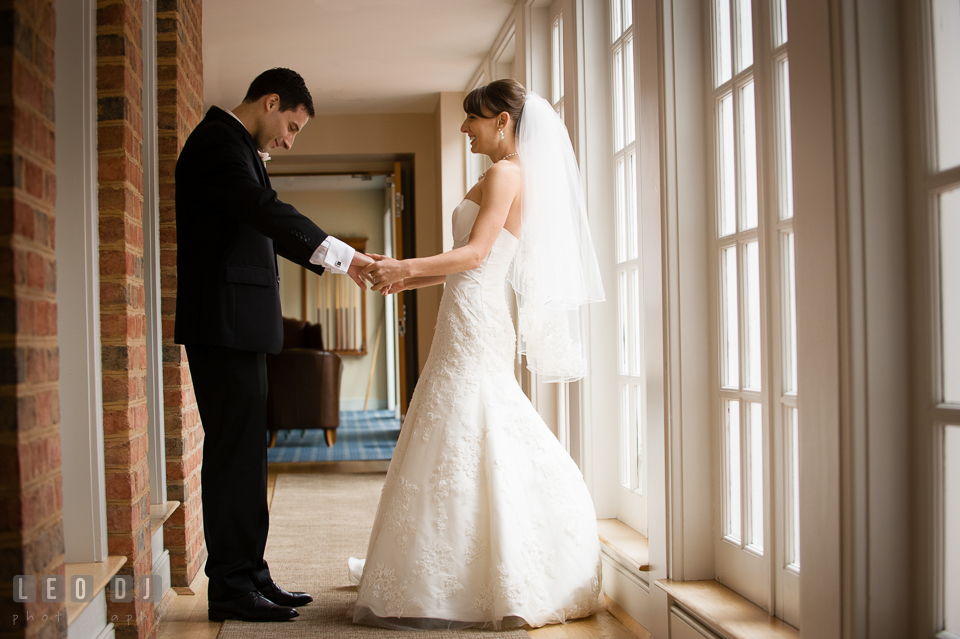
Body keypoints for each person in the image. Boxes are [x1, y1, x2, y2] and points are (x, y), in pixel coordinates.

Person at [350, 79, 605, 630]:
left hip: (476, 317)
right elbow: (470, 265)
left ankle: (491, 566)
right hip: (468, 311)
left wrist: (406, 269)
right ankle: (459, 562)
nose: (465, 128)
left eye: (474, 118)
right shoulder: (507, 173)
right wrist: (400, 278)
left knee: (474, 418)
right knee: (461, 422)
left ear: (504, 122)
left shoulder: (506, 173)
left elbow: (476, 255)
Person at [175, 67, 373, 623]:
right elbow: (267, 215)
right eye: (291, 126)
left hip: (238, 326)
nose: (289, 140)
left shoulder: (233, 148)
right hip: (223, 325)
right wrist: (346, 256)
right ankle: (232, 587)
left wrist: (334, 261)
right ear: (269, 101)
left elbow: (261, 229)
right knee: (233, 455)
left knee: (247, 455)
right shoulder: (218, 143)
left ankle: (252, 573)